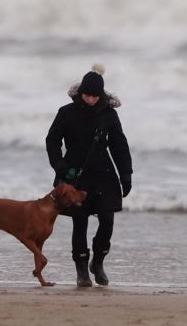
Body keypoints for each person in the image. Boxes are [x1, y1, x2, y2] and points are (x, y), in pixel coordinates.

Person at [45, 64, 132, 287]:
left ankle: (98, 262)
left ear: (101, 95)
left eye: (94, 96)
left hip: (104, 174)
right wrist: (60, 166)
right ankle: (82, 269)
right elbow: (52, 140)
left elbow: (119, 146)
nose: (90, 99)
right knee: (80, 222)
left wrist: (126, 174)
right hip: (75, 175)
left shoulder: (109, 115)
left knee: (107, 221)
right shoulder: (66, 112)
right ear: (80, 92)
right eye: (87, 95)